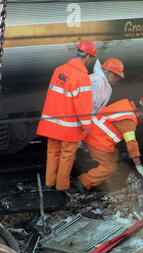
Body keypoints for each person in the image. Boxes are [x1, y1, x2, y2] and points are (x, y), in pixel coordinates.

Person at [36, 40, 97, 192]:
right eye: (91, 58)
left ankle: (49, 185)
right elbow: (83, 107)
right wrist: (86, 127)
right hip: (68, 128)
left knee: (52, 153)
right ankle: (62, 189)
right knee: (67, 156)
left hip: (52, 124)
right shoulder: (82, 77)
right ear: (88, 56)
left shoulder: (59, 70)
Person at [75, 97, 143, 193]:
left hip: (93, 132)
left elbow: (135, 118)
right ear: (142, 113)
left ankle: (103, 180)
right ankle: (83, 182)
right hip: (97, 140)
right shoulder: (129, 121)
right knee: (110, 167)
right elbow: (132, 144)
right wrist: (139, 166)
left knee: (114, 153)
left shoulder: (126, 104)